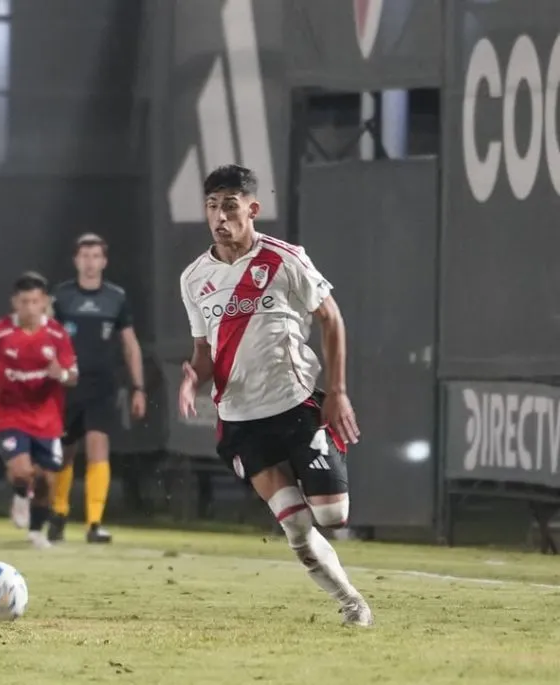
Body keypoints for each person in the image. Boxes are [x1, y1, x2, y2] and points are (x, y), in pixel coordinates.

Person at [177, 164, 372, 626]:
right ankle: (353, 604)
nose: (220, 217)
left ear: (252, 208)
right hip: (241, 419)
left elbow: (331, 318)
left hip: (297, 404)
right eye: (211, 207)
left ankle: (323, 459)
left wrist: (337, 392)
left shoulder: (285, 259)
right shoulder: (194, 278)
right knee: (297, 527)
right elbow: (204, 350)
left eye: (229, 206)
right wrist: (192, 379)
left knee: (332, 514)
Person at [46, 234, 146, 544]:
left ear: (104, 261)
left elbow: (130, 345)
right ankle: (59, 513)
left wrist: (138, 388)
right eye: (84, 256)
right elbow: (45, 339)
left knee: (98, 446)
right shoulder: (61, 297)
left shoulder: (116, 297)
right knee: (64, 452)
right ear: (76, 260)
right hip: (67, 385)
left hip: (102, 384)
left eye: (95, 256)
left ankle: (94, 523)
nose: (90, 262)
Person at [0, 272, 78, 549]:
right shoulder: (0, 331)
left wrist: (61, 374)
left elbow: (73, 375)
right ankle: (20, 496)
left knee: (45, 479)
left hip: (46, 415)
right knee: (21, 471)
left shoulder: (56, 334)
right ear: (14, 303)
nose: (29, 307)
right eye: (23, 302)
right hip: (9, 411)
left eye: (34, 301)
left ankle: (35, 532)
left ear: (43, 302)